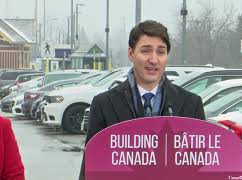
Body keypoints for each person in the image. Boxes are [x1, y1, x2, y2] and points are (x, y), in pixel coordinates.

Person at [79, 20, 205, 179]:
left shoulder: (191, 104)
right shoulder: (104, 104)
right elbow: (90, 169)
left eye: (161, 52)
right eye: (146, 51)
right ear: (131, 54)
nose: (153, 60)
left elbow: (199, 168)